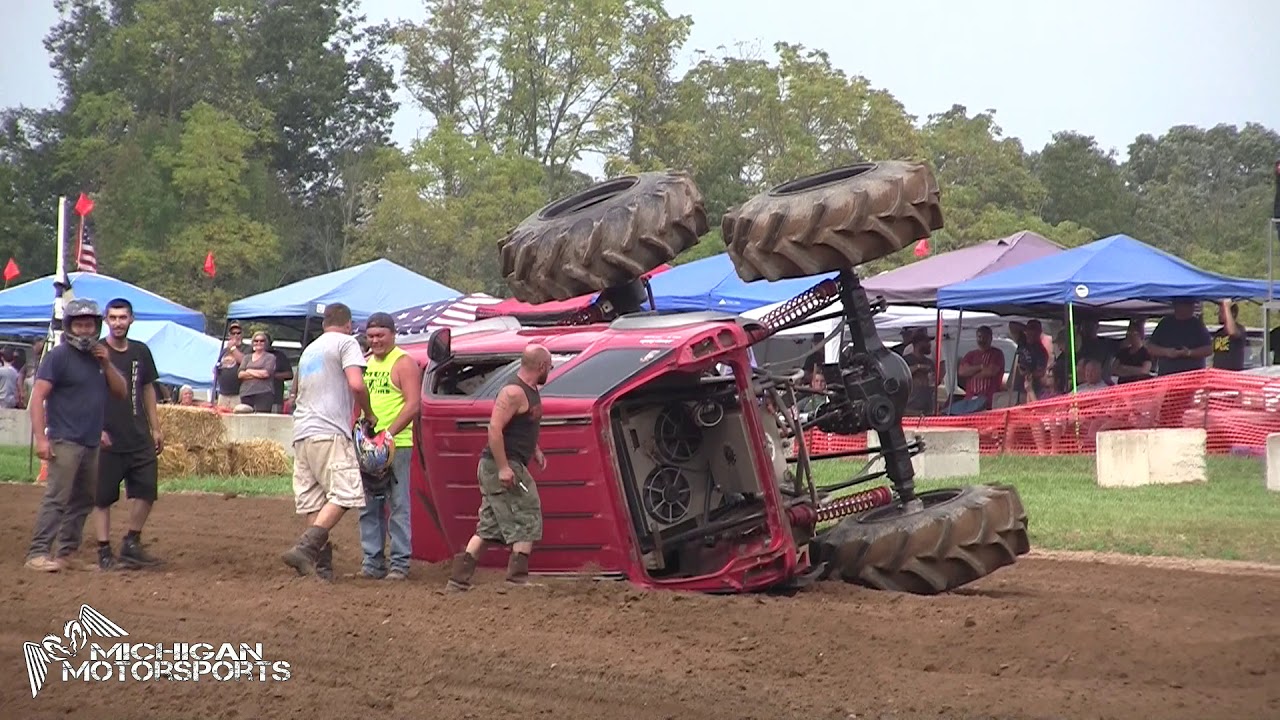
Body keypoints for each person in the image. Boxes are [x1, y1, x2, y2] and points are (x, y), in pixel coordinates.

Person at [24, 299, 127, 572]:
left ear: (96, 326)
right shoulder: (58, 356)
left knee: (83, 499)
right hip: (64, 439)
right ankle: (38, 552)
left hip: (92, 439)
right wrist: (41, 439)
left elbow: (120, 391)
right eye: (79, 325)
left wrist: (106, 364)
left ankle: (66, 553)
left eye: (89, 325)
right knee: (57, 497)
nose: (84, 330)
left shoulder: (100, 356)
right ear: (70, 326)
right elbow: (38, 398)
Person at [280, 303, 376, 580]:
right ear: (348, 324)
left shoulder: (310, 348)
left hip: (302, 431)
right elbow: (357, 384)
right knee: (347, 492)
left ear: (324, 323)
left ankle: (320, 568)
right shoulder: (346, 343)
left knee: (313, 499)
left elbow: (294, 391)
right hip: (329, 429)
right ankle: (307, 549)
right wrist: (369, 413)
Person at [446, 343, 553, 592]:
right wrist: (504, 468)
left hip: (508, 462)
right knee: (529, 510)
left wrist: (534, 448)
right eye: (549, 366)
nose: (550, 370)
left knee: (489, 525)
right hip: (501, 465)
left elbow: (520, 426)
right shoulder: (513, 392)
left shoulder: (528, 390)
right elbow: (494, 429)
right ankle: (517, 577)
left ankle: (458, 580)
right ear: (541, 366)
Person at [94, 298, 165, 571]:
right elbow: (87, 393)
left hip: (138, 434)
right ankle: (103, 550)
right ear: (106, 320)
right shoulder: (98, 352)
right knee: (103, 496)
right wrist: (95, 427)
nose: (118, 323)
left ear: (132, 319)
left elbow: (148, 388)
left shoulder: (140, 351)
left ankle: (131, 542)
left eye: (123, 317)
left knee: (147, 490)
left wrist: (155, 427)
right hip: (107, 436)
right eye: (113, 317)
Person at [355, 312, 422, 581]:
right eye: (371, 337)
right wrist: (359, 434)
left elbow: (413, 404)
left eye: (380, 335)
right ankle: (372, 562)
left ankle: (399, 563)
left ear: (393, 334)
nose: (375, 341)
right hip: (367, 444)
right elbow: (358, 401)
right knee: (368, 504)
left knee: (398, 503)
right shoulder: (366, 363)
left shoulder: (403, 363)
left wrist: (389, 435)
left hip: (397, 444)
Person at [1146, 299, 1213, 376]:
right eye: (1188, 305)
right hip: (1168, 376)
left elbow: (1209, 349)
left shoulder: (1197, 325)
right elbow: (1150, 348)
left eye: (1192, 305)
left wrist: (1189, 353)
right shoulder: (1165, 324)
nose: (1192, 307)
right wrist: (1167, 352)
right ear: (1176, 305)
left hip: (1193, 377)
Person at [948, 325, 1005, 414]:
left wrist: (971, 372)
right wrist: (981, 367)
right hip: (970, 400)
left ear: (990, 338)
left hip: (988, 401)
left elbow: (991, 371)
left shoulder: (996, 354)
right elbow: (962, 372)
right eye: (979, 337)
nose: (982, 340)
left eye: (984, 337)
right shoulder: (970, 355)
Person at [237, 330, 278, 412]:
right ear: (253, 342)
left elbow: (266, 373)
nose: (259, 342)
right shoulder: (247, 357)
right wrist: (258, 373)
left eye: (262, 340)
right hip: (246, 393)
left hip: (264, 393)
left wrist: (248, 370)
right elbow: (240, 374)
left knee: (261, 419)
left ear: (265, 343)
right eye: (256, 341)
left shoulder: (270, 357)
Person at [1211, 300, 1247, 371]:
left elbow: (1232, 332)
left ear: (1232, 314)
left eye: (1222, 312)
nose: (1219, 315)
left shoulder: (1239, 329)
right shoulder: (1219, 333)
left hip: (1232, 374)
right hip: (1218, 374)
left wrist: (1227, 307)